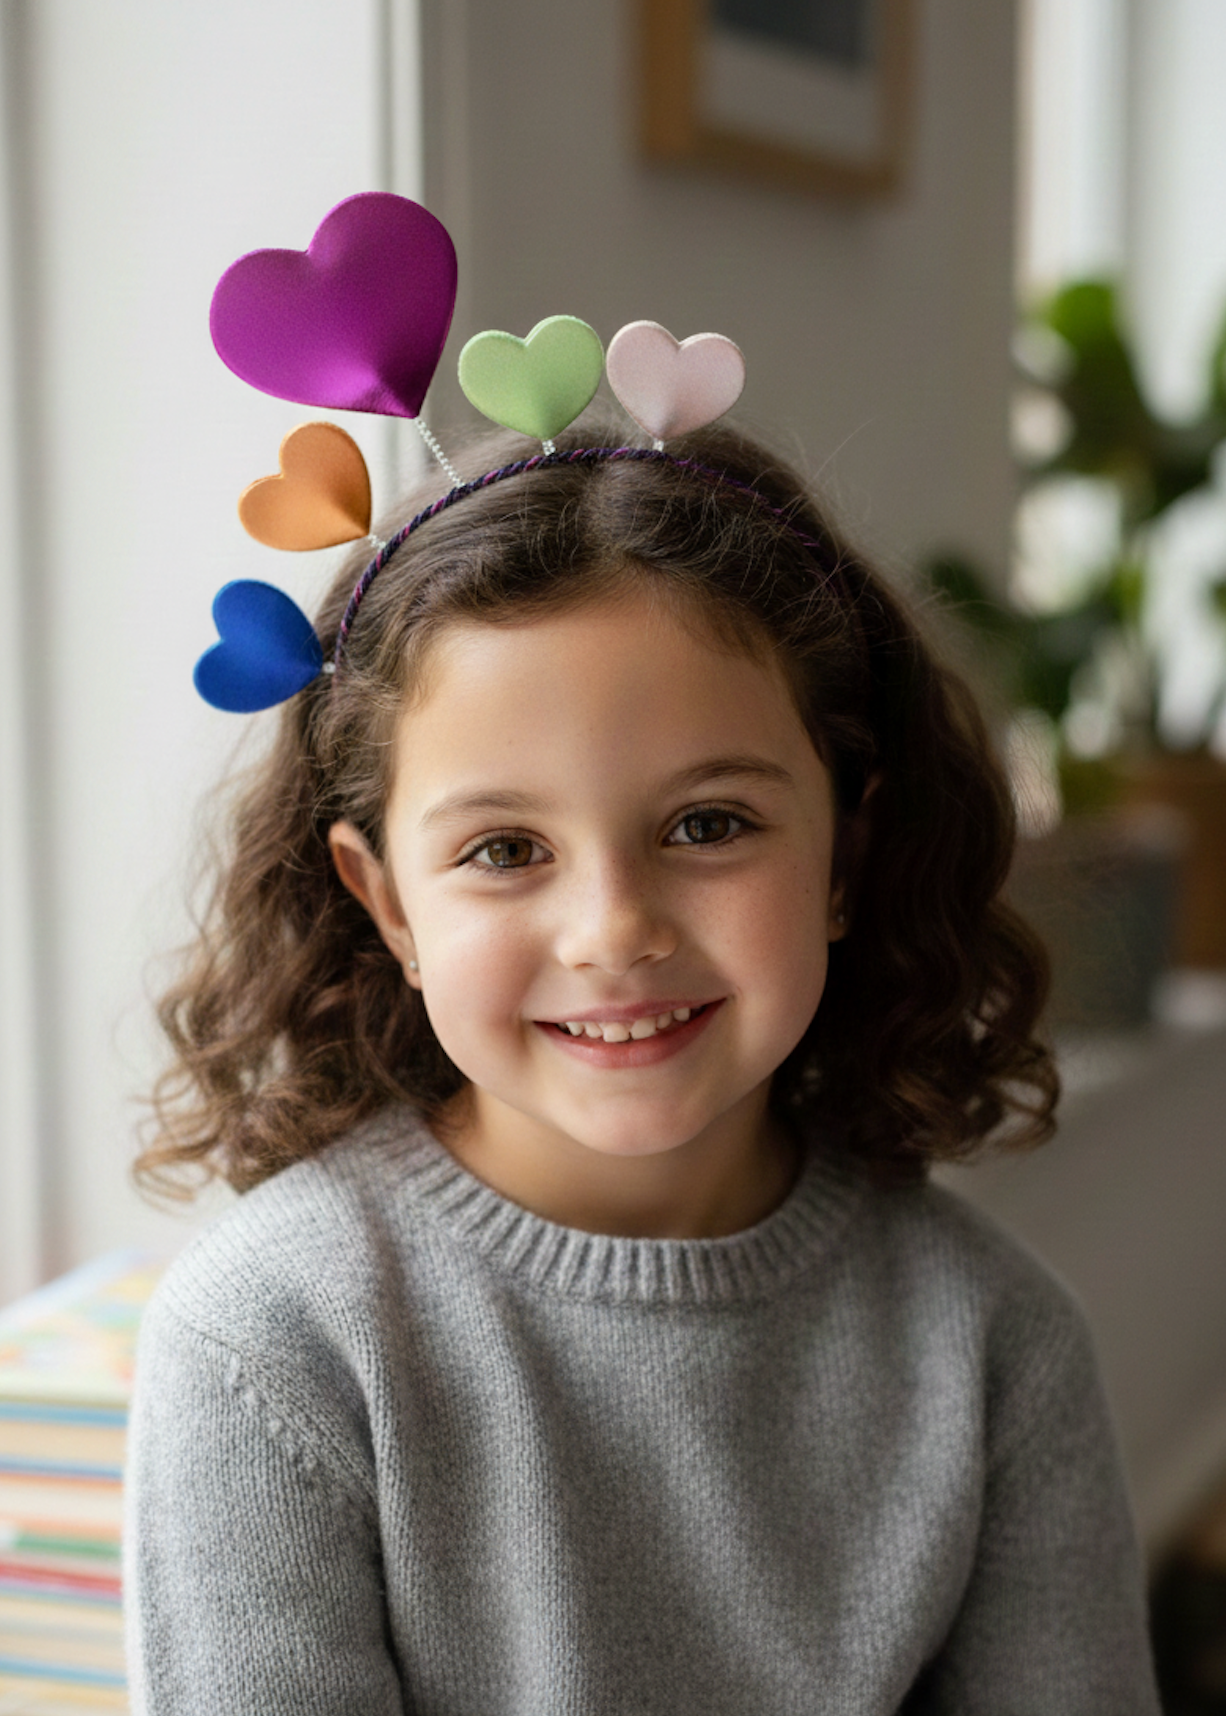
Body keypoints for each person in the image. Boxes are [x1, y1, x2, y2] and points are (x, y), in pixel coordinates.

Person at [125, 419, 1161, 1714]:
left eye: (706, 824)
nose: (614, 927)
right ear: (385, 905)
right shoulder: (270, 1341)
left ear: (842, 856)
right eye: (504, 849)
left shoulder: (994, 1342)